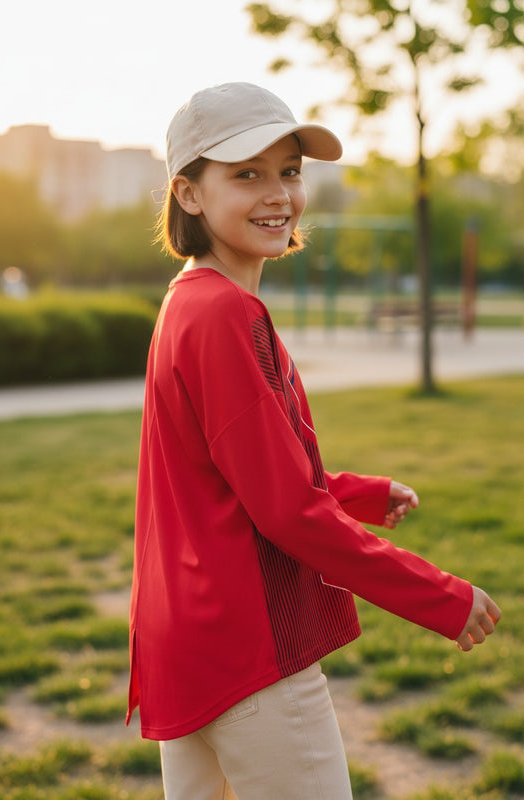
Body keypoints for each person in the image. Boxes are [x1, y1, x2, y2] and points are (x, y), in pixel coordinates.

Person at [127, 82, 501, 800]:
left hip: (190, 641)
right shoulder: (222, 315)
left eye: (290, 171)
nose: (278, 194)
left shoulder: (188, 299)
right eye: (247, 173)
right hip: (249, 654)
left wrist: (357, 493)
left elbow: (235, 471)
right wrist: (439, 596)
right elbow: (287, 512)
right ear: (189, 194)